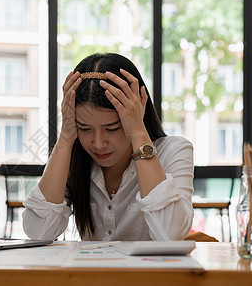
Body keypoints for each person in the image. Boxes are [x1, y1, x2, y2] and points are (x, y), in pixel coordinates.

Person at [22, 52, 194, 241]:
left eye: (112, 129)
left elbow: (170, 235)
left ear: (137, 113)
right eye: (85, 128)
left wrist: (138, 132)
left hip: (150, 271)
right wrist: (66, 137)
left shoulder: (174, 151)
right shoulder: (72, 157)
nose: (98, 143)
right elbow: (37, 232)